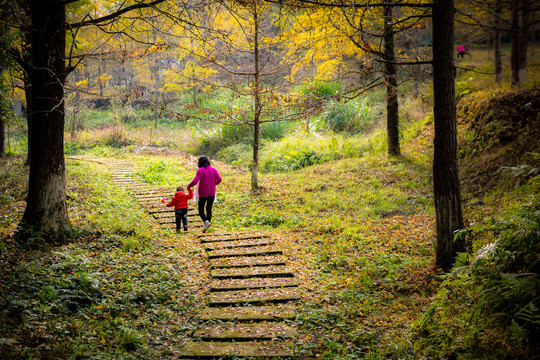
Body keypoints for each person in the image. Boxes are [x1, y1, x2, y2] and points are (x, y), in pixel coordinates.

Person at [187, 156, 222, 233]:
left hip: (202, 193)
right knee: (209, 208)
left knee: (200, 210)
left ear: (200, 163)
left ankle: (206, 222)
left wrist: (189, 186)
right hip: (212, 193)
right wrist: (214, 184)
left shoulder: (200, 170)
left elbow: (195, 181)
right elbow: (220, 179)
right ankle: (207, 223)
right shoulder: (214, 169)